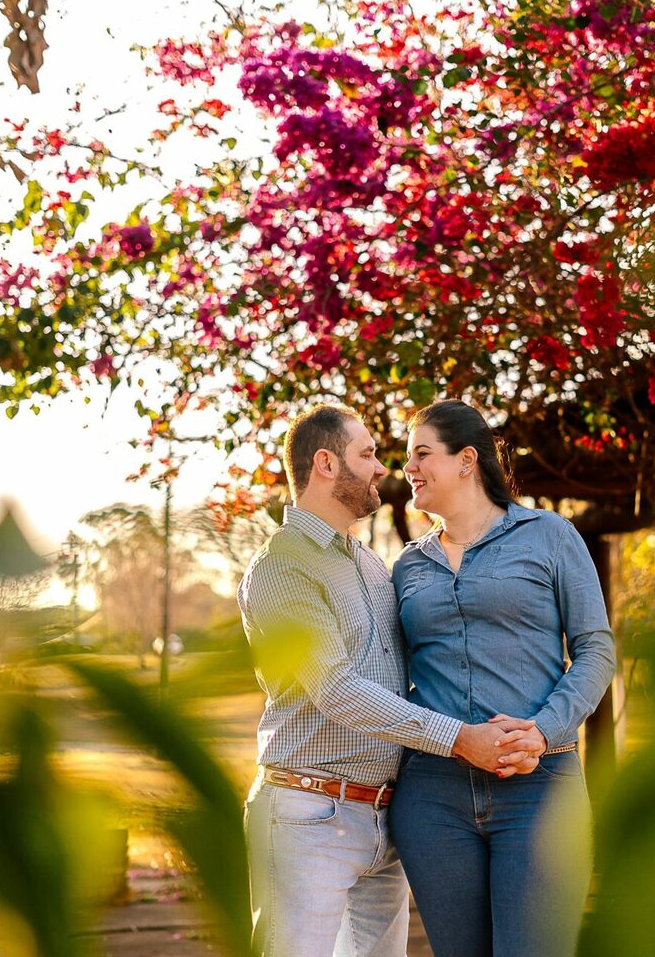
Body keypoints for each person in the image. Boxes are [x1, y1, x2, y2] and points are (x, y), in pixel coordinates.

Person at [238, 403, 540, 957]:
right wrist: (459, 739)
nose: (383, 469)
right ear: (326, 464)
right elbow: (335, 689)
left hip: (384, 820)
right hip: (311, 815)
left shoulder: (371, 562)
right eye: (368, 454)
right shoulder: (283, 565)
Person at [389, 399, 618, 957]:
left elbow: (595, 648)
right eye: (406, 458)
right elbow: (389, 679)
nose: (408, 470)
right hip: (433, 795)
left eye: (422, 454)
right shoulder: (406, 567)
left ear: (467, 459)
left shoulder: (550, 536)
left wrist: (542, 730)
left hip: (539, 789)